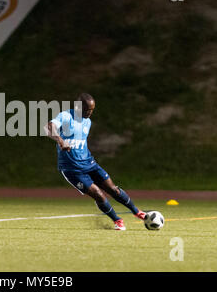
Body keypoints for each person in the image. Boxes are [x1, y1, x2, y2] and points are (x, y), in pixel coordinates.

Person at [46, 93, 146, 230]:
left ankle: (137, 212)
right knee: (98, 194)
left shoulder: (87, 121)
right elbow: (49, 127)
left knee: (113, 189)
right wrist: (60, 140)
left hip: (89, 163)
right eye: (87, 110)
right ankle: (117, 220)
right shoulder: (66, 116)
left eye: (92, 110)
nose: (89, 113)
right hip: (72, 170)